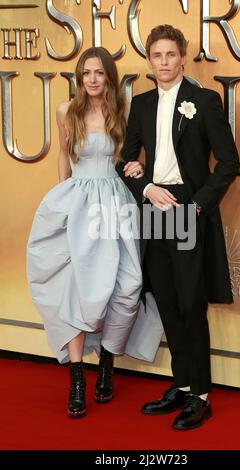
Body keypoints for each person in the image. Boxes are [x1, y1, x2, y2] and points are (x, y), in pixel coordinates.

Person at [116, 24, 240, 430]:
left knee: (190, 304)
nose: (165, 62)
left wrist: (199, 206)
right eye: (157, 56)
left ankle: (202, 397)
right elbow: (126, 160)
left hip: (187, 208)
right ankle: (183, 386)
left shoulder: (204, 101)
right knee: (166, 301)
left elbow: (228, 163)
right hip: (154, 207)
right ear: (149, 61)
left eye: (171, 55)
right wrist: (145, 185)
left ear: (182, 57)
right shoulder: (142, 103)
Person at [27, 47, 144, 418]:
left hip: (115, 200)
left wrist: (139, 168)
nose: (92, 79)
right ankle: (78, 379)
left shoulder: (122, 110)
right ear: (79, 78)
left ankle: (107, 361)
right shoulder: (66, 111)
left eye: (98, 72)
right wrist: (63, 199)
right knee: (78, 288)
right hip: (78, 201)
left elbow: (134, 155)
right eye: (85, 73)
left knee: (126, 285)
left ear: (109, 76)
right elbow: (63, 155)